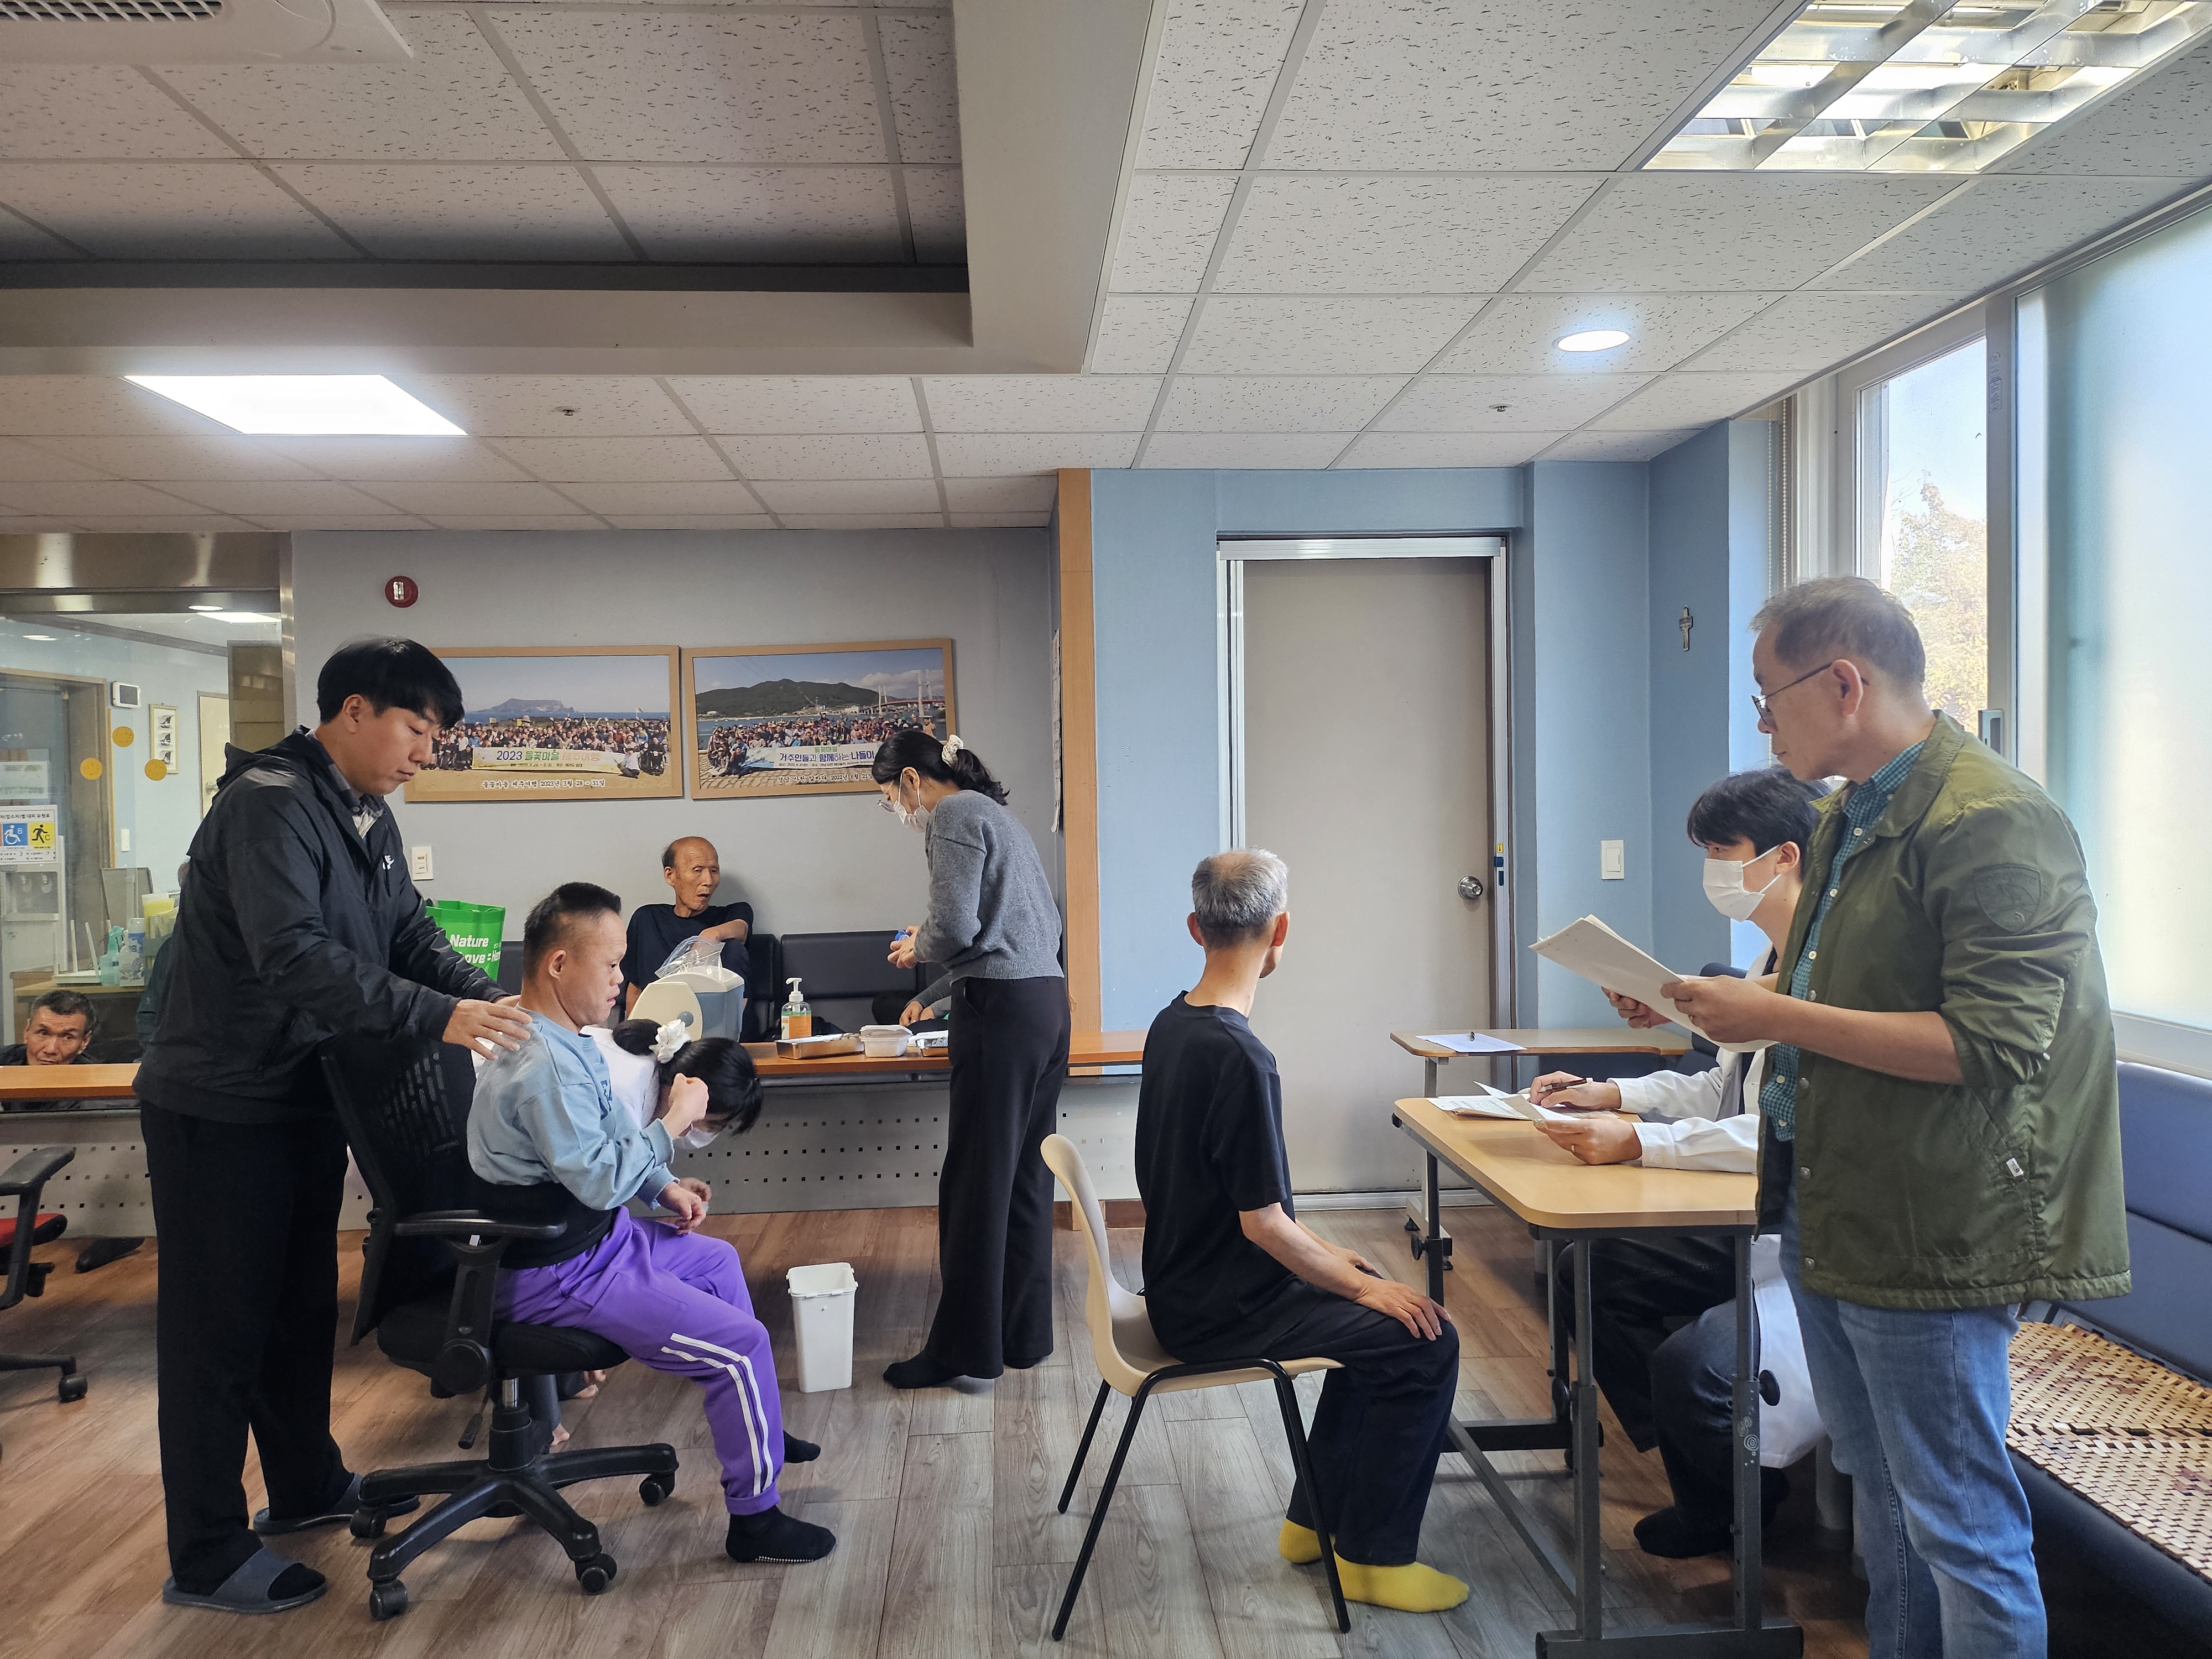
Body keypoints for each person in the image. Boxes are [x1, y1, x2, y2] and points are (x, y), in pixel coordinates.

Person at [1661, 576, 2127, 1659]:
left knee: (1959, 1524)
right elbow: (1835, 996)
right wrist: (1707, 1008)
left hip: (1936, 1228)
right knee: (1885, 1504)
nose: (1762, 723)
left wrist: (1774, 1014)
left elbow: (1995, 1045)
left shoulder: (1992, 821)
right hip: (1838, 1206)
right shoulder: (1848, 817)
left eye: (1767, 696)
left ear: (1843, 683)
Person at [136, 638, 533, 1616]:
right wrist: (439, 1017)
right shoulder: (268, 804)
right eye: (416, 729)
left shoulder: (364, 812)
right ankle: (205, 1553)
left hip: (307, 1093)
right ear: (353, 711)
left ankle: (306, 1483)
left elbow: (408, 932)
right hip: (220, 1103)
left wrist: (490, 1002)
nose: (427, 753)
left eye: (437, 736)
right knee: (218, 1331)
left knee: (297, 1308)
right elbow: (295, 957)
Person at [1136, 850, 1468, 1614]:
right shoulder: (1241, 1057)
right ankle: (1374, 1560)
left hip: (1183, 1287)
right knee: (1426, 1339)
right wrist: (1358, 1285)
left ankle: (1311, 1525)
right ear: (1281, 931)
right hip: (1222, 1312)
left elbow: (1242, 1207)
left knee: (1374, 1321)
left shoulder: (1170, 1025)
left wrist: (1336, 1269)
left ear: (1195, 928)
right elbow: (1263, 1225)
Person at [470, 883, 834, 1564]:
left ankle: (758, 1424)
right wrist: (673, 1121)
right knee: (740, 1347)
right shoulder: (543, 1066)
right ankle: (755, 1521)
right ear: (558, 964)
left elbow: (611, 1144)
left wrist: (664, 1186)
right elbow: (601, 1180)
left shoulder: (567, 1042)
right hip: (558, 1271)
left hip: (594, 1245)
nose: (621, 979)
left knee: (718, 1262)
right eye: (611, 965)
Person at [1530, 767, 1826, 1558]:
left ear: (1784, 857)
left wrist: (1642, 1142)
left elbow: (1784, 1134)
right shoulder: (1764, 960)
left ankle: (1729, 1485)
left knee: (1690, 1365)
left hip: (1797, 1237)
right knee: (1588, 1272)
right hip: (1739, 1218)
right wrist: (1612, 1095)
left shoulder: (1825, 975)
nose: (1711, 871)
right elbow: (1720, 1089)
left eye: (1721, 851)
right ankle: (1715, 1476)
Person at [871, 730, 1068, 1390]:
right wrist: (931, 990)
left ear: (909, 779)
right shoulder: (999, 818)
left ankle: (962, 1351)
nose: (897, 812)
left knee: (975, 1186)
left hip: (1001, 1016)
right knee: (1024, 1180)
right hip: (1044, 1006)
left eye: (890, 798)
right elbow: (1016, 936)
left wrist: (918, 945)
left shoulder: (952, 814)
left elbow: (955, 928)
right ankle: (1022, 1337)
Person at [622, 837, 752, 1016]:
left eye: (714, 871)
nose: (708, 880)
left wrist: (708, 937)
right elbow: (636, 987)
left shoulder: (732, 914)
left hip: (723, 1026)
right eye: (697, 870)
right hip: (661, 1026)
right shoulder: (647, 919)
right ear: (670, 875)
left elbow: (741, 929)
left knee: (732, 947)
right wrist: (630, 1029)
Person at [4, 987, 94, 1067]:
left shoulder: (96, 1076)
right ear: (27, 1031)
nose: (51, 1050)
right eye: (43, 1033)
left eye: (68, 1037)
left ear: (84, 1042)